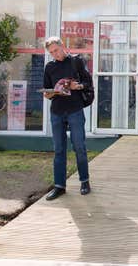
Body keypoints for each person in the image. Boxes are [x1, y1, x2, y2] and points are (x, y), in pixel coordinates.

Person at [42, 36, 93, 200]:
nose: (55, 54)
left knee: (79, 146)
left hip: (75, 110)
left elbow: (88, 83)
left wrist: (76, 86)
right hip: (57, 111)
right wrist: (49, 94)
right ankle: (59, 186)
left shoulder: (76, 62)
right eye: (51, 52)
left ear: (63, 45)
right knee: (58, 149)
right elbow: (47, 92)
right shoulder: (49, 67)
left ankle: (84, 181)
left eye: (56, 50)